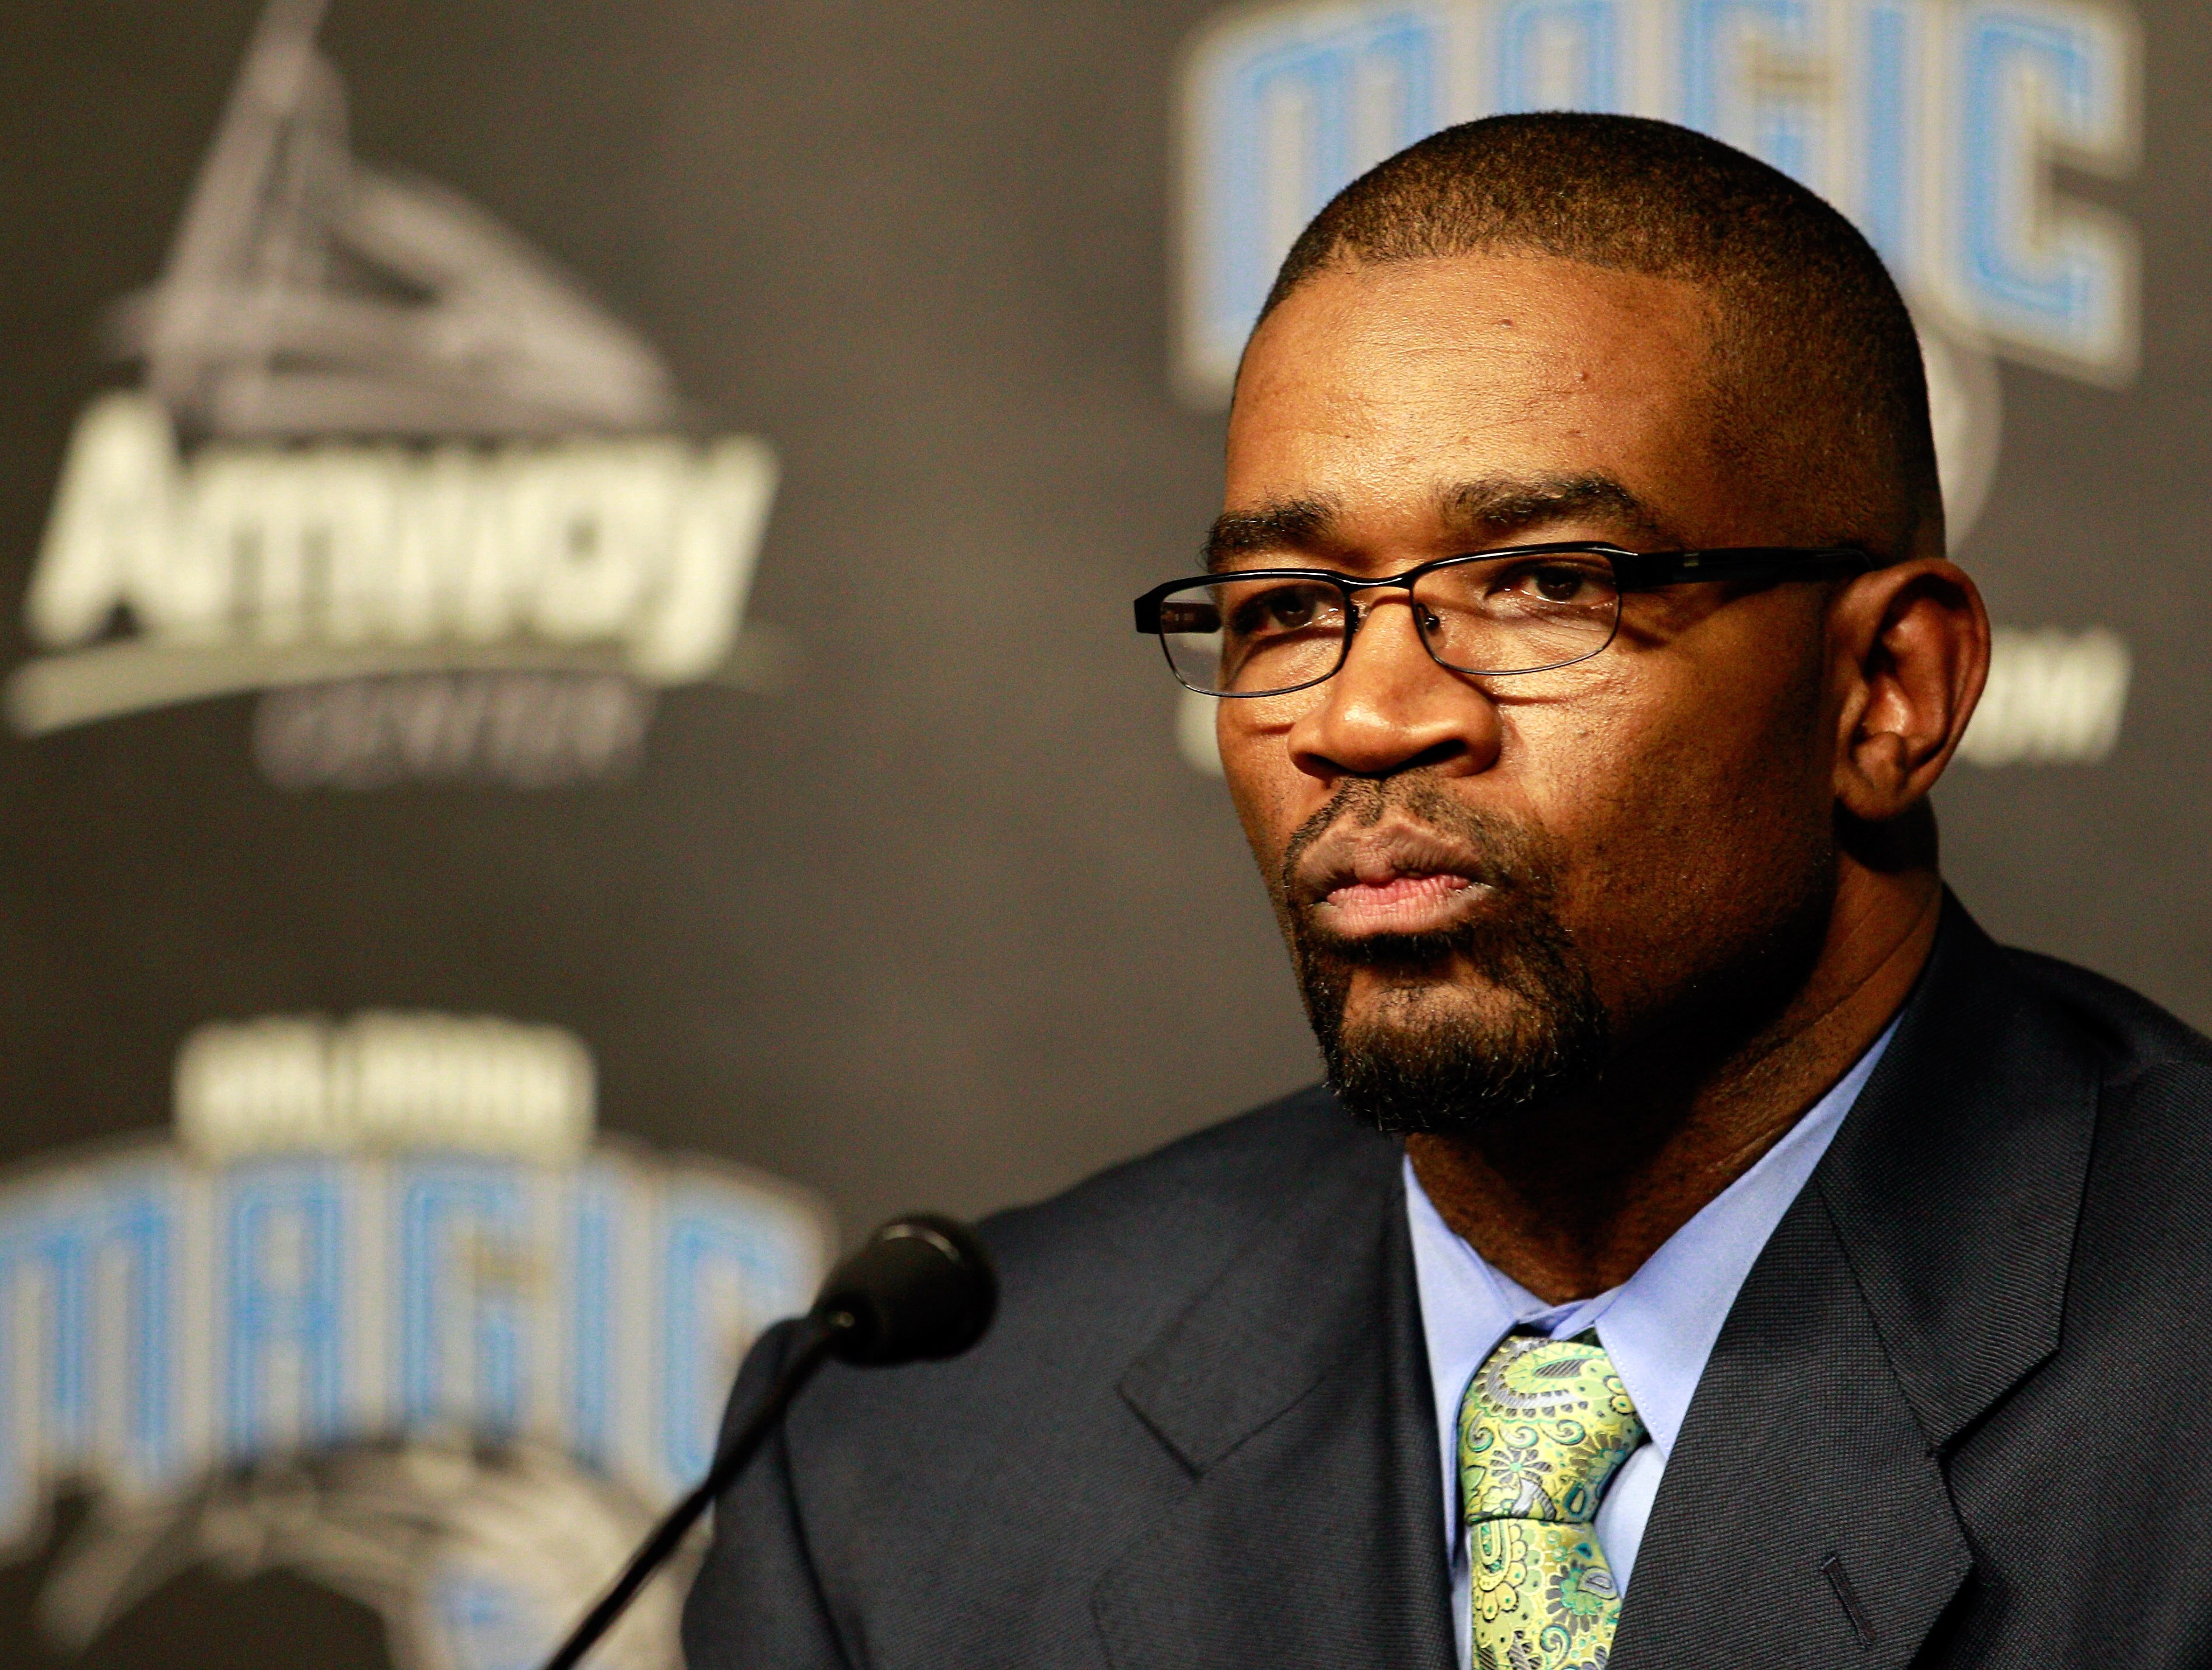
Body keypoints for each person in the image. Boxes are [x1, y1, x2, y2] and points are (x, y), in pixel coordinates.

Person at [683, 114, 2212, 1670]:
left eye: (1546, 583)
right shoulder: (910, 1450)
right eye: (1289, 608)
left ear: (1889, 689)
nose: (1362, 718)